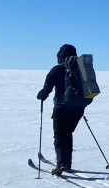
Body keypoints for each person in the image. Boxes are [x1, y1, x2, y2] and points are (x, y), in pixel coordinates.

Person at [37, 44, 86, 175]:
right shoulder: (81, 69)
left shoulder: (57, 69)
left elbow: (47, 88)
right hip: (78, 108)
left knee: (59, 136)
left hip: (61, 108)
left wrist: (42, 95)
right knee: (67, 134)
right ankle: (66, 163)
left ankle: (61, 165)